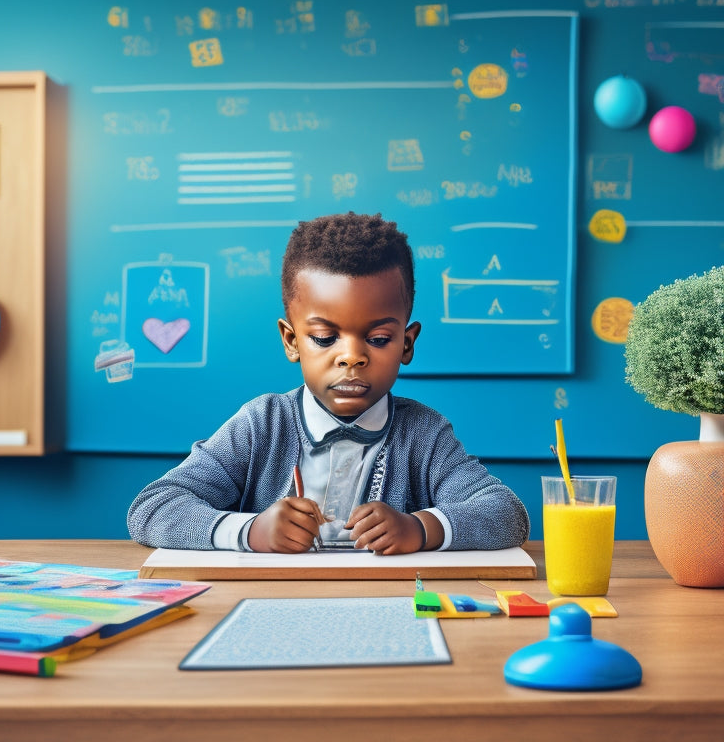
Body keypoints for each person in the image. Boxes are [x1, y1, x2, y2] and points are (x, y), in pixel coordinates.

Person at [127, 212, 529, 554]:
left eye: (378, 339)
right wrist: (250, 532)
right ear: (292, 341)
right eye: (324, 338)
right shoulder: (262, 426)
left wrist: (420, 529)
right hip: (272, 610)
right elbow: (153, 507)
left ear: (407, 343)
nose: (351, 357)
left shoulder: (423, 434)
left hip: (385, 611)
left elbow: (506, 514)